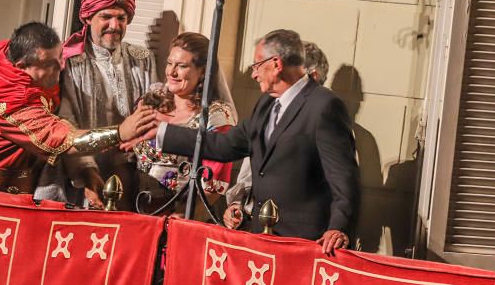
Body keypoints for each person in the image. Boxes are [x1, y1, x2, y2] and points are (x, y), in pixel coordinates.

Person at [155, 29, 358, 254]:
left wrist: (338, 228)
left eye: (257, 65)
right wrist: (163, 132)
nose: (254, 74)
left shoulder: (324, 106)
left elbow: (344, 178)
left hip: (304, 242)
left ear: (276, 64)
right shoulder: (266, 104)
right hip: (261, 236)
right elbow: (224, 145)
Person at [0, 22, 157, 193]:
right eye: (52, 65)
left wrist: (85, 171)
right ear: (23, 66)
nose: (61, 68)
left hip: (13, 183)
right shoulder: (13, 105)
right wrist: (120, 133)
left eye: (60, 59)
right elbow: (65, 140)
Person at [35, 0, 157, 209]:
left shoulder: (143, 59)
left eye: (121, 18)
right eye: (106, 17)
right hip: (79, 174)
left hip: (130, 174)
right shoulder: (69, 63)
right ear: (88, 17)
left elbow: (152, 114)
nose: (115, 25)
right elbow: (66, 124)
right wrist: (88, 174)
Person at [224, 40, 329, 230]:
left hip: (294, 233)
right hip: (254, 226)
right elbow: (252, 170)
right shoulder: (270, 111)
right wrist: (237, 204)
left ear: (312, 76)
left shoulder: (326, 117)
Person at [132, 32, 236, 216]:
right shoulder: (151, 102)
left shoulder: (215, 117)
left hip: (181, 215)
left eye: (181, 66)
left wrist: (184, 217)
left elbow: (214, 186)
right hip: (136, 209)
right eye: (169, 63)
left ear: (203, 71)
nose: (171, 72)